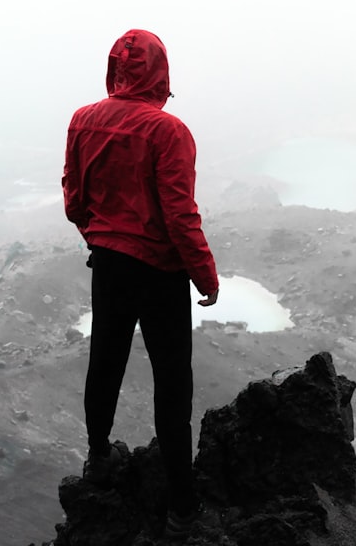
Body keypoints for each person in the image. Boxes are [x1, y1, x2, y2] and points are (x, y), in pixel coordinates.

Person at [62, 29, 219, 536]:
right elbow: (179, 214)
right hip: (159, 271)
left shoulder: (83, 121)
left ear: (114, 69)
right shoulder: (168, 132)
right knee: (172, 385)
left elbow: (73, 198)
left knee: (104, 362)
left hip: (107, 262)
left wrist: (99, 235)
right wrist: (204, 273)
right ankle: (182, 509)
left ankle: (99, 459)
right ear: (161, 71)